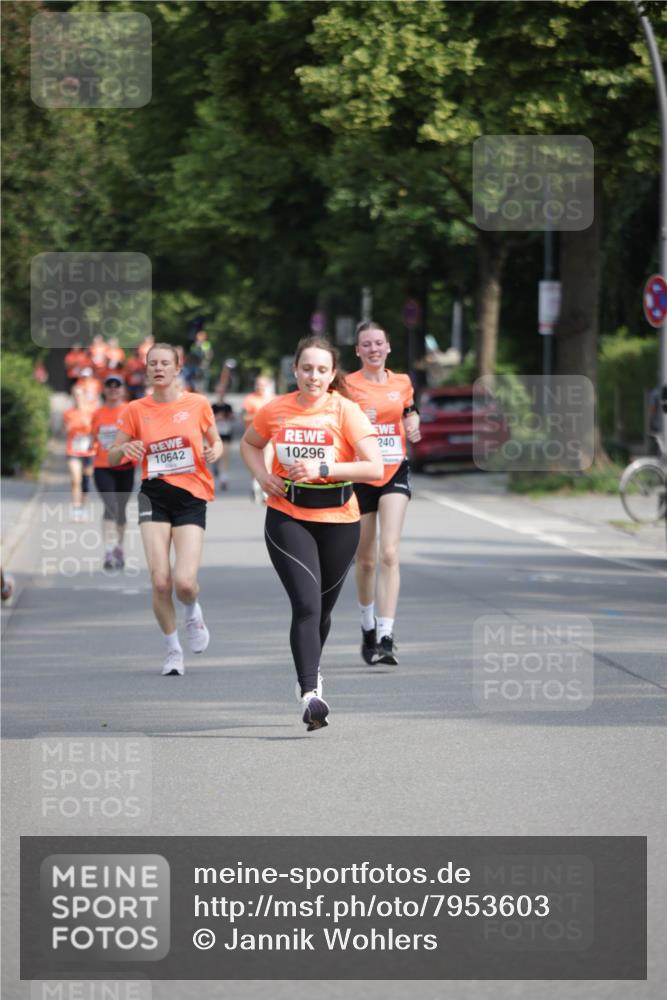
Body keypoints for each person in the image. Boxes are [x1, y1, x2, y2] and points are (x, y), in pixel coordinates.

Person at [240, 336, 382, 731]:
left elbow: (374, 467)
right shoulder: (276, 409)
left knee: (322, 610)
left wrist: (324, 469)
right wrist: (262, 476)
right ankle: (309, 694)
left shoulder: (346, 411)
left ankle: (312, 669)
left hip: (340, 520)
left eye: (321, 370)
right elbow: (250, 444)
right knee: (306, 605)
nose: (313, 376)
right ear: (295, 370)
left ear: (332, 374)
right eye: (306, 368)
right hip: (288, 516)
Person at [107, 343, 223, 676]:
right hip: (153, 496)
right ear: (146, 370)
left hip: (191, 496)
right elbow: (111, 455)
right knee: (160, 582)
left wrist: (214, 451)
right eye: (153, 364)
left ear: (177, 368)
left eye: (165, 363)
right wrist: (125, 448)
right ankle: (173, 650)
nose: (158, 368)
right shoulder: (136, 409)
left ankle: (192, 611)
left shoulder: (197, 404)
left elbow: (215, 441)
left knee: (184, 583)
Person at [345, 321, 421, 666]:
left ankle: (386, 636)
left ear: (388, 347)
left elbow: (409, 411)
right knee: (366, 559)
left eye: (379, 343)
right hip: (361, 474)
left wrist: (413, 422)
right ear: (358, 351)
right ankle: (367, 625)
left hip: (394, 470)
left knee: (389, 552)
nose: (373, 349)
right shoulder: (347, 385)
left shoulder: (402, 382)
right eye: (367, 344)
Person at [91, 375, 135, 570]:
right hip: (103, 466)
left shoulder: (130, 410)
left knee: (121, 509)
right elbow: (93, 438)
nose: (113, 389)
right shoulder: (97, 413)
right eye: (109, 386)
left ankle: (119, 547)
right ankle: (109, 550)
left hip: (125, 466)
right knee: (110, 506)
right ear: (104, 390)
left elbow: (138, 434)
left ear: (123, 389)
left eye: (117, 386)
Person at [63, 393, 95, 521]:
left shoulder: (92, 412)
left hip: (88, 452)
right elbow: (65, 430)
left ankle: (83, 507)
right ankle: (76, 509)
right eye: (75, 396)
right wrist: (69, 427)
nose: (78, 398)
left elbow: (96, 430)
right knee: (76, 480)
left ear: (85, 398)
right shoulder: (68, 413)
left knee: (86, 482)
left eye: (80, 396)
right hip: (73, 451)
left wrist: (88, 426)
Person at [243, 375, 275, 502]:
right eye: (258, 384)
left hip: (269, 437)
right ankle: (256, 485)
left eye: (263, 385)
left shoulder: (273, 399)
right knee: (255, 463)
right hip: (254, 438)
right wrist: (260, 416)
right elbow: (245, 417)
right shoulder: (250, 399)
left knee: (267, 462)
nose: (260, 387)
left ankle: (265, 491)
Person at [211, 397, 234, 492]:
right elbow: (209, 419)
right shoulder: (213, 406)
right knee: (217, 456)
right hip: (216, 435)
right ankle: (215, 465)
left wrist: (227, 417)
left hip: (226, 434)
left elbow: (233, 417)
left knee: (225, 456)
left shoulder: (228, 406)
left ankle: (223, 479)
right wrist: (217, 418)